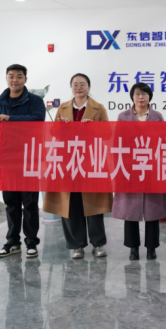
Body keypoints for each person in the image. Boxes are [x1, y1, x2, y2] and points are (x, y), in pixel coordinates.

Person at [43, 73, 113, 259]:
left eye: (82, 84)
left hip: (91, 161)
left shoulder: (98, 108)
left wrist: (94, 127)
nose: (79, 87)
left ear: (89, 87)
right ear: (71, 88)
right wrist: (61, 126)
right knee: (71, 204)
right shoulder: (63, 108)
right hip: (68, 161)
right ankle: (76, 245)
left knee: (93, 205)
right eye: (75, 84)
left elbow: (107, 133)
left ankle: (98, 243)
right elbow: (54, 132)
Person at [0, 64, 45, 259]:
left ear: (25, 79)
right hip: (7, 161)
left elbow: (38, 120)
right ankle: (12, 242)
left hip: (29, 159)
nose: (15, 80)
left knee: (30, 203)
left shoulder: (35, 101)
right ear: (6, 79)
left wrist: (11, 118)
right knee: (11, 203)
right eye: (11, 76)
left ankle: (31, 242)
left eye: (19, 76)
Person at [112, 82, 166, 261]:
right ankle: (133, 248)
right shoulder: (123, 116)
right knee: (131, 209)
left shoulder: (157, 116)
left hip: (152, 167)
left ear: (149, 97)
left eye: (145, 94)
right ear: (132, 97)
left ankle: (151, 248)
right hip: (130, 168)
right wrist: (120, 168)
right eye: (137, 94)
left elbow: (163, 142)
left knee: (153, 209)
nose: (141, 97)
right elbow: (117, 143)